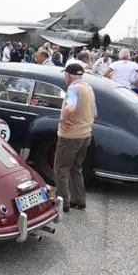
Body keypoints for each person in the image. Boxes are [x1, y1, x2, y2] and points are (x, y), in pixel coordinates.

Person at [54, 63, 97, 212]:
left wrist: (62, 120)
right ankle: (79, 199)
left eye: (65, 74)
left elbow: (70, 107)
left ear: (69, 75)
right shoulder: (88, 88)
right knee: (76, 168)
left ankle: (62, 203)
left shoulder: (73, 88)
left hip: (70, 135)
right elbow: (95, 113)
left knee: (61, 169)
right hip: (86, 134)